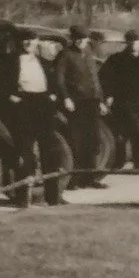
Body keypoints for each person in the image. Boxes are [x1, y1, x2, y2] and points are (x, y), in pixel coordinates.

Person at [0, 29, 66, 208]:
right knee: (24, 153)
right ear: (19, 42)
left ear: (37, 42)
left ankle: (53, 197)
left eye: (32, 40)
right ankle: (22, 197)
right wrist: (11, 97)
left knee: (50, 151)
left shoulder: (43, 62)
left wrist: (52, 96)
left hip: (43, 106)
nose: (29, 43)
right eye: (25, 40)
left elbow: (54, 83)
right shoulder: (9, 61)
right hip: (23, 107)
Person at [100, 29, 139, 172]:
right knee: (138, 132)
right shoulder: (117, 59)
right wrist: (109, 95)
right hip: (125, 103)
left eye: (136, 42)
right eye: (130, 42)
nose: (133, 44)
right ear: (126, 43)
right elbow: (104, 77)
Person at [55, 26, 108, 188]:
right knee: (77, 140)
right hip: (76, 102)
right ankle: (74, 180)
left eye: (83, 39)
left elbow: (94, 79)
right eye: (78, 39)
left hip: (92, 101)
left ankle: (90, 178)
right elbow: (59, 79)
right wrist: (66, 98)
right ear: (73, 39)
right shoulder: (65, 54)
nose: (81, 42)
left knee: (93, 140)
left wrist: (100, 100)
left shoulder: (89, 53)